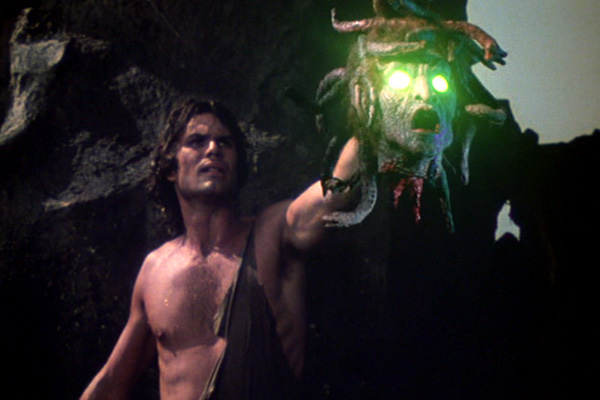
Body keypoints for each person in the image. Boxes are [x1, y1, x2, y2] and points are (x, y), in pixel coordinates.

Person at [80, 97, 360, 400]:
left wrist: (368, 125)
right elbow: (112, 383)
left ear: (237, 166)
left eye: (224, 142)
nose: (213, 149)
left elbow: (340, 192)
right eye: (197, 141)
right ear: (171, 168)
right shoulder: (155, 270)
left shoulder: (273, 233)